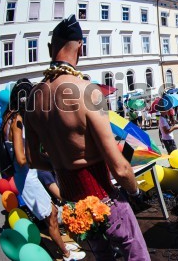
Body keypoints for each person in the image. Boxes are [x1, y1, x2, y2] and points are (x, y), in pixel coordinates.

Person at [25, 15, 151, 260]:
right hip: (104, 200)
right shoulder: (86, 91)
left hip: (73, 207)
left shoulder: (32, 98)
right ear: (81, 48)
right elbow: (120, 167)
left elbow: (32, 159)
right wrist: (136, 193)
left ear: (51, 48)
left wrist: (63, 165)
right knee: (136, 254)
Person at [4, 79, 85, 261]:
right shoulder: (17, 120)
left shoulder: (9, 117)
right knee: (50, 217)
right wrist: (38, 155)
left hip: (27, 177)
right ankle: (66, 254)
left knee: (53, 213)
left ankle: (63, 246)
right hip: (27, 179)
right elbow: (21, 158)